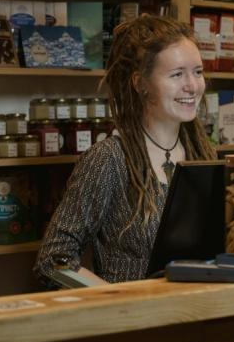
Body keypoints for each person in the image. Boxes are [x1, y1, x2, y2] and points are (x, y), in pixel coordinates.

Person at [34, 14, 216, 285]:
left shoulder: (204, 154)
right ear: (140, 83)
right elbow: (53, 261)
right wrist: (113, 300)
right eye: (177, 74)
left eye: (197, 72)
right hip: (134, 320)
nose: (192, 85)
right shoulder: (109, 159)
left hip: (194, 317)